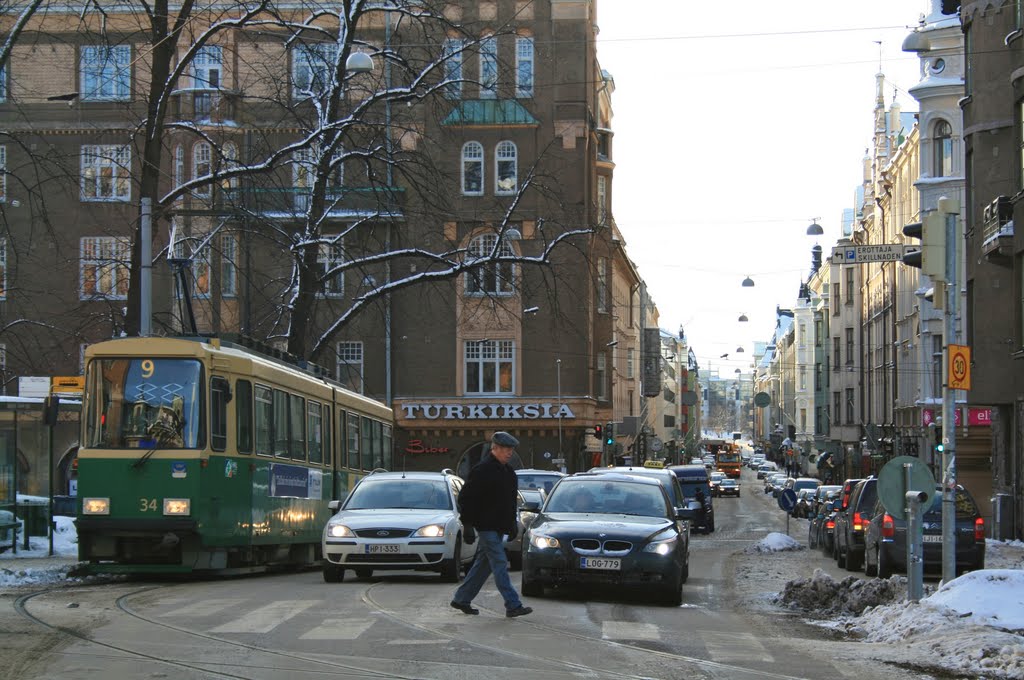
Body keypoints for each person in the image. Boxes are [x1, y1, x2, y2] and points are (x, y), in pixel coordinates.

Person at [451, 431, 533, 618]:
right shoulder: (482, 470)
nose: (509, 452)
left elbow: (510, 502)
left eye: (511, 449)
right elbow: (466, 498)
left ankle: (461, 598)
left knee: (484, 565)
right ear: (494, 449)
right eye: (505, 449)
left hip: (498, 527)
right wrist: (468, 525)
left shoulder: (509, 472)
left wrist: (512, 523)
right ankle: (513, 604)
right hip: (486, 526)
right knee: (499, 561)